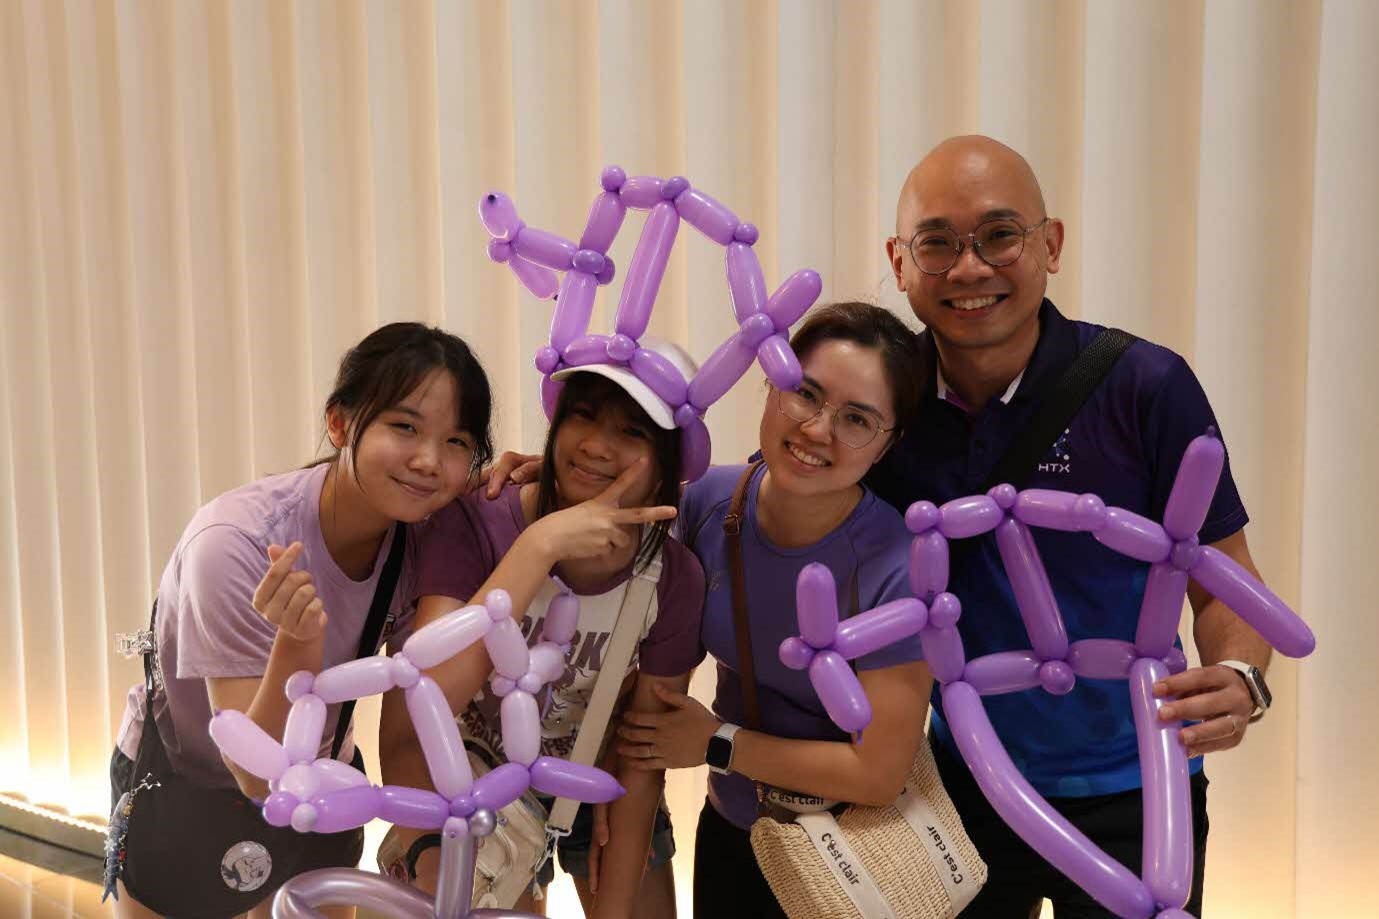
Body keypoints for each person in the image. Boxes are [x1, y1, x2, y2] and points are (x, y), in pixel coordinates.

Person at [869, 134, 1274, 916]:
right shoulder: (883, 399)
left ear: (1049, 244)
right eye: (937, 243)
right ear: (898, 263)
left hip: (1142, 784)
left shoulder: (1143, 384)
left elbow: (1225, 576)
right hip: (962, 781)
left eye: (998, 235)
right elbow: (781, 496)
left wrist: (1242, 679)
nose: (969, 267)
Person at [107, 322, 495, 919]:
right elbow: (255, 776)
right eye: (405, 427)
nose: (428, 462)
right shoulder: (236, 545)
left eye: (457, 443)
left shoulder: (424, 536)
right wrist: (299, 641)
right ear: (340, 423)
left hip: (323, 779)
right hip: (191, 785)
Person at [612, 303, 934, 919]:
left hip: (850, 853)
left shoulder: (899, 564)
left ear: (888, 442)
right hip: (734, 829)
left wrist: (717, 742)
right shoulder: (709, 502)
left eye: (857, 419)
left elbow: (879, 774)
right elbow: (616, 522)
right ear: (771, 385)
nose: (818, 430)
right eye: (805, 395)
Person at [379, 338, 707, 919]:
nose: (596, 446)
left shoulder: (673, 577)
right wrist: (539, 545)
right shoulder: (478, 518)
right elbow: (427, 693)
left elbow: (642, 752)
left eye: (632, 433)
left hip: (598, 778)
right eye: (582, 415)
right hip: (475, 780)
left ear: (668, 463)